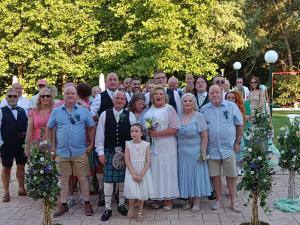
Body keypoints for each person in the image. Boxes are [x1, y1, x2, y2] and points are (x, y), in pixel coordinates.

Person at [47, 86, 95, 217]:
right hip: (62, 152)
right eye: (67, 93)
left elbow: (91, 127)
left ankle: (87, 203)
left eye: (72, 93)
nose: (70, 95)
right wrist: (51, 146)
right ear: (64, 95)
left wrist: (91, 143)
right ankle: (63, 205)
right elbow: (49, 128)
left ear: (76, 96)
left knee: (83, 178)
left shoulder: (84, 111)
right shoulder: (56, 111)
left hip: (80, 152)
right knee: (63, 179)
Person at [201, 85, 243, 213]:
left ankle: (234, 201)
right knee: (215, 176)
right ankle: (218, 200)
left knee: (231, 175)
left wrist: (238, 141)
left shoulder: (231, 106)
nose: (214, 95)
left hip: (228, 147)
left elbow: (239, 123)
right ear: (209, 95)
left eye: (217, 92)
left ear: (222, 93)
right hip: (212, 149)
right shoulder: (204, 109)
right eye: (212, 92)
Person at [95, 91, 136, 221]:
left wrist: (132, 153)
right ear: (113, 100)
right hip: (109, 150)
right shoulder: (104, 115)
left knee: (123, 181)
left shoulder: (130, 115)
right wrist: (100, 153)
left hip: (125, 152)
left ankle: (121, 205)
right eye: (117, 98)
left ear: (125, 101)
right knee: (108, 181)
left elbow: (134, 136)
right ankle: (107, 208)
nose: (119, 100)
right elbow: (100, 136)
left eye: (122, 99)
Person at [143, 85, 180, 211]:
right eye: (156, 94)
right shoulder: (149, 111)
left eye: (161, 94)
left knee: (167, 170)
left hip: (167, 144)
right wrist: (149, 131)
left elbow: (175, 128)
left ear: (165, 97)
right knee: (155, 170)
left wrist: (158, 134)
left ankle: (169, 199)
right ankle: (158, 198)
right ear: (152, 97)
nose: (158, 96)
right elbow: (146, 129)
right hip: (153, 146)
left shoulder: (170, 109)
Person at [177, 93, 211, 212]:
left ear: (194, 103)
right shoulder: (179, 116)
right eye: (185, 101)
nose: (187, 103)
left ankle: (196, 202)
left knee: (196, 177)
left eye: (190, 101)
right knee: (185, 176)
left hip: (195, 153)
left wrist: (203, 152)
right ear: (182, 103)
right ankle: (188, 200)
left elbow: (205, 136)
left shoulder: (199, 116)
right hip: (182, 153)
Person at [0, 88, 28, 202]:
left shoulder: (22, 110)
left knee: (21, 166)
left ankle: (21, 188)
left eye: (14, 96)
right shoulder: (1, 111)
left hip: (21, 144)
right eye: (10, 96)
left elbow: (27, 126)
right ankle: (6, 192)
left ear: (18, 98)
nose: (12, 98)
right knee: (6, 167)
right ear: (6, 98)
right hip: (7, 144)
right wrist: (1, 144)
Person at [124, 123, 154, 221]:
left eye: (136, 131)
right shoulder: (128, 144)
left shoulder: (146, 144)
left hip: (143, 171)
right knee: (132, 191)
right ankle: (131, 209)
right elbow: (127, 160)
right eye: (132, 131)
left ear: (141, 133)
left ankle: (140, 212)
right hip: (131, 170)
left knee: (142, 192)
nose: (134, 133)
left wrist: (141, 174)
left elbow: (148, 161)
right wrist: (133, 173)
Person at [25, 87, 54, 155]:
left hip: (50, 142)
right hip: (35, 142)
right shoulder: (33, 112)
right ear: (39, 98)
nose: (45, 98)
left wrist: (54, 145)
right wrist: (27, 146)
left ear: (51, 98)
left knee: (50, 164)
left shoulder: (55, 111)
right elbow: (29, 131)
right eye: (42, 96)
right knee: (37, 164)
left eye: (48, 96)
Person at [225, 91, 246, 176]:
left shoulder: (238, 111)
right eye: (228, 98)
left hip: (237, 136)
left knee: (239, 153)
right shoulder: (224, 109)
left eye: (233, 98)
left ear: (236, 100)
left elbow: (240, 126)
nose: (230, 100)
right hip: (228, 136)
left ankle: (239, 168)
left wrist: (238, 139)